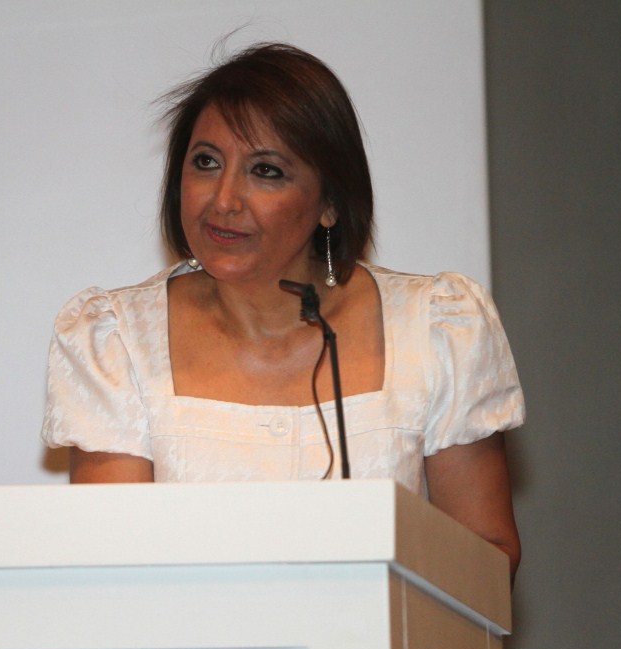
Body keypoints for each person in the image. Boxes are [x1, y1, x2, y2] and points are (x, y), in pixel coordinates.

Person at [41, 43, 522, 579]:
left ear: (329, 203)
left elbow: (487, 556)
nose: (224, 200)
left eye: (266, 171)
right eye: (206, 163)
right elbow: (111, 566)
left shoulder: (437, 328)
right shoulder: (117, 342)